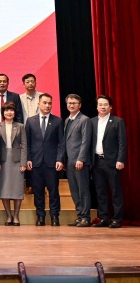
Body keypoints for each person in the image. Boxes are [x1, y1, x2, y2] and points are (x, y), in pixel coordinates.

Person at [25, 93, 64, 226]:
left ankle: (54, 216)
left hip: (52, 163)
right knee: (38, 191)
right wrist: (28, 158)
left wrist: (60, 159)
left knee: (53, 192)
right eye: (45, 103)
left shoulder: (58, 121)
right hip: (35, 162)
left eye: (49, 103)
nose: (47, 105)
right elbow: (27, 143)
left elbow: (61, 143)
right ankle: (40, 216)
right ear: (39, 104)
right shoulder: (31, 121)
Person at [91, 95, 127, 228]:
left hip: (112, 162)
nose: (103, 107)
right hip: (96, 161)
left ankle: (117, 218)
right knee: (100, 191)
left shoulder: (117, 121)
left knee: (115, 191)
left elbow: (122, 143)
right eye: (100, 104)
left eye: (105, 104)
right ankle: (103, 218)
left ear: (110, 107)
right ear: (97, 107)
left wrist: (120, 159)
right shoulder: (92, 121)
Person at [0, 102, 28, 225]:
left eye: (11, 110)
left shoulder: (20, 126)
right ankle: (9, 216)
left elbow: (24, 145)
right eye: (6, 110)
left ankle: (16, 216)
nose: (9, 112)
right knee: (4, 189)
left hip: (17, 160)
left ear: (15, 113)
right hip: (3, 161)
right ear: (3, 113)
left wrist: (23, 163)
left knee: (17, 189)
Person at [63, 94, 92, 227]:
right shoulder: (67, 120)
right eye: (69, 103)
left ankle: (86, 217)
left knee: (83, 190)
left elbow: (86, 141)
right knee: (74, 190)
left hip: (80, 161)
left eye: (74, 103)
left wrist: (81, 158)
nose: (71, 105)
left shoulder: (84, 119)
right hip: (69, 161)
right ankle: (80, 216)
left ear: (79, 105)